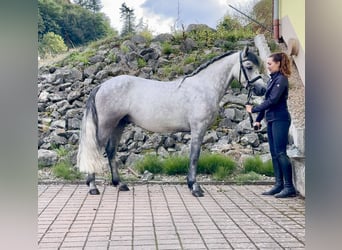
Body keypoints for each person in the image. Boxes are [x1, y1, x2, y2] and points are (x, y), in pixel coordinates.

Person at [245, 52, 296, 198]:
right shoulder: (273, 80)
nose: (267, 66)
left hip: (281, 119)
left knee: (281, 153)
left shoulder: (282, 79)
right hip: (272, 120)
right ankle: (279, 184)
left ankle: (289, 187)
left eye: (269, 64)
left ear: (278, 63)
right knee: (274, 154)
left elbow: (272, 101)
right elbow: (266, 101)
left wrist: (253, 109)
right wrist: (258, 119)